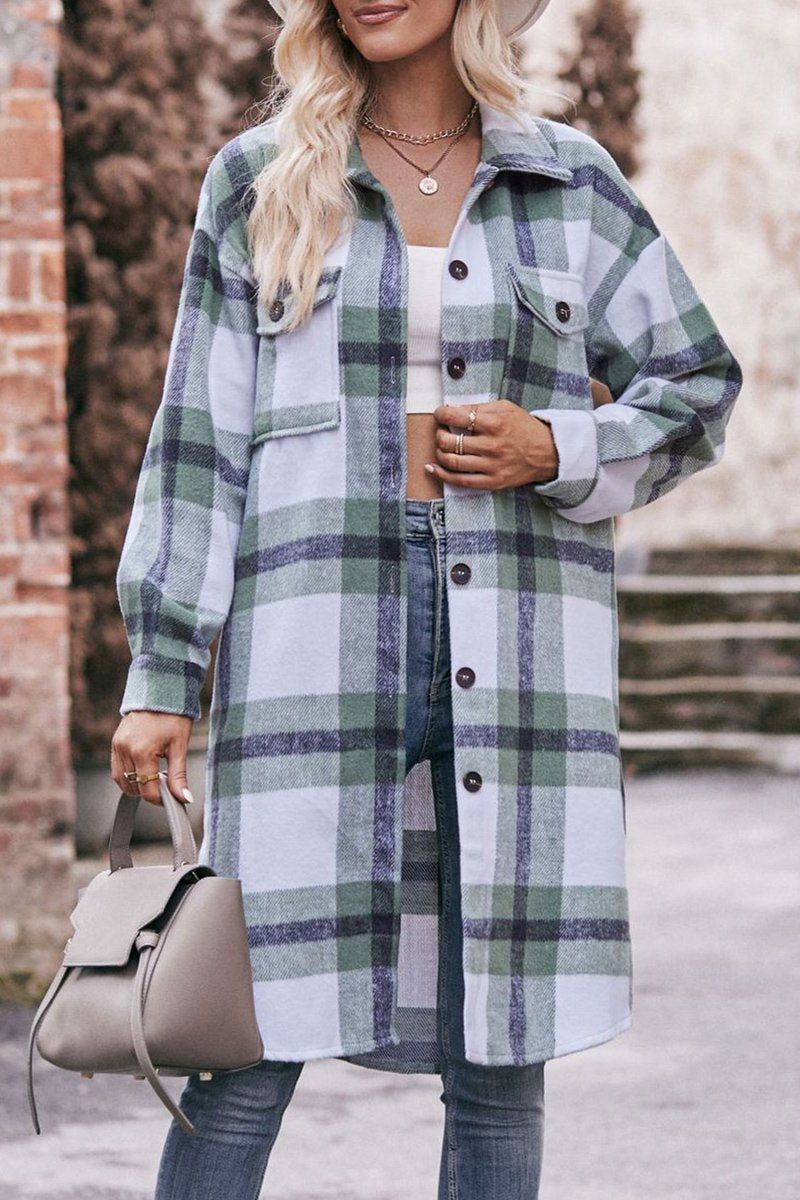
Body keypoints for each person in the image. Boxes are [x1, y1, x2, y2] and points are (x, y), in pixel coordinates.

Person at [111, 1, 744, 1196]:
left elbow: (695, 384)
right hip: (309, 631)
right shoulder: (258, 178)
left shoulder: (568, 183)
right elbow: (200, 441)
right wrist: (162, 669)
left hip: (519, 635)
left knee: (499, 1049)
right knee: (242, 1032)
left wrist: (554, 445)